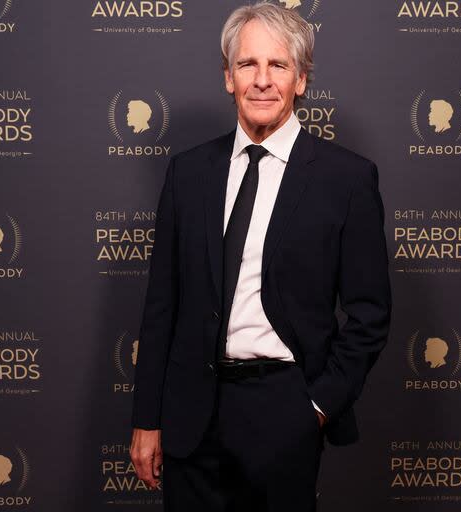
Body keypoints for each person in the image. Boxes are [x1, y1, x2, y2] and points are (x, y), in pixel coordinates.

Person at [130, 3, 391, 510]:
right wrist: (148, 417)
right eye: (248, 65)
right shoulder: (188, 173)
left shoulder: (347, 179)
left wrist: (316, 407)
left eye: (279, 65)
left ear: (302, 80)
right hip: (191, 415)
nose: (262, 80)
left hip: (284, 409)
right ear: (229, 77)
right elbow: (162, 303)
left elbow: (370, 314)